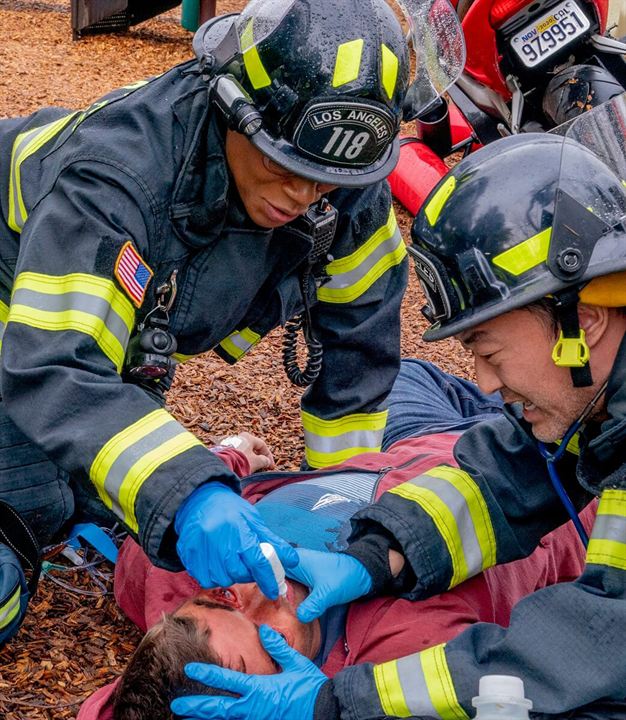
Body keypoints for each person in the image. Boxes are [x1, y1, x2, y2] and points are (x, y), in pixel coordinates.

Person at [0, 0, 467, 642]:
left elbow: (355, 372)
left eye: (325, 181)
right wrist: (188, 491)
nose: (303, 196)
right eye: (284, 167)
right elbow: (56, 366)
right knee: (28, 526)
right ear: (231, 109)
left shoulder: (342, 175)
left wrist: (345, 520)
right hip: (27, 330)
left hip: (90, 342)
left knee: (110, 484)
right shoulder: (116, 177)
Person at [170, 99, 626, 719]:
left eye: (488, 349)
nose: (486, 383)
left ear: (585, 322)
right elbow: (507, 482)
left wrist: (337, 703)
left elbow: (585, 648)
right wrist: (371, 559)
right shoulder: (597, 401)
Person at [77, 360, 595, 719]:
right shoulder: (397, 657)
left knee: (396, 371)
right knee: (581, 399)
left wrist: (231, 461)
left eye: (220, 599)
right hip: (550, 481)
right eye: (271, 645)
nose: (252, 596)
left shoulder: (173, 568)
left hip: (415, 432)